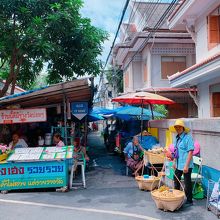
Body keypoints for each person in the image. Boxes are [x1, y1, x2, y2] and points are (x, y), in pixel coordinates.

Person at [169, 119, 194, 206]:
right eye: (176, 127)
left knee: (187, 183)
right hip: (179, 164)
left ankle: (189, 200)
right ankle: (177, 197)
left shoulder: (188, 138)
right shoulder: (177, 138)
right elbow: (176, 152)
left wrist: (186, 166)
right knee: (176, 179)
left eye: (179, 127)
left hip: (186, 165)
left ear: (183, 128)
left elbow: (190, 152)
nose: (178, 128)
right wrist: (174, 162)